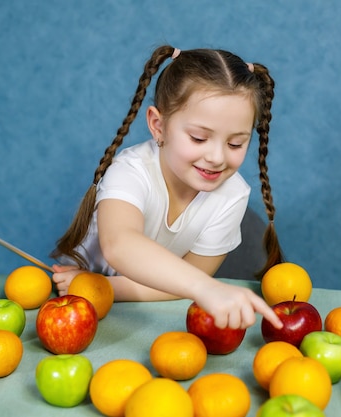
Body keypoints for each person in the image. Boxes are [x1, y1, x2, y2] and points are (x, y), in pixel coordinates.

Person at [50, 45, 284, 330]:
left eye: (235, 143)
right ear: (158, 126)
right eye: (199, 138)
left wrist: (104, 289)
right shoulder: (131, 171)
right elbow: (120, 244)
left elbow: (185, 284)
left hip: (111, 295)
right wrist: (203, 287)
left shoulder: (233, 195)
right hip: (70, 293)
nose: (217, 157)